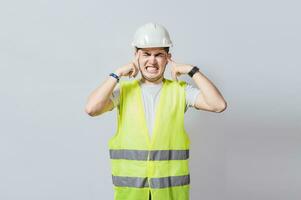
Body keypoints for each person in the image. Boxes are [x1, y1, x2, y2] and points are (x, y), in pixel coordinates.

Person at [85, 22, 227, 200]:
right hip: (132, 194)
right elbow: (92, 108)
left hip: (170, 194)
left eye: (158, 55)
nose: (152, 60)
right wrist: (117, 74)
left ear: (168, 58)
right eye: (146, 54)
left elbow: (218, 105)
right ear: (136, 56)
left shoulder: (180, 91)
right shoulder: (123, 92)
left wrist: (192, 70)